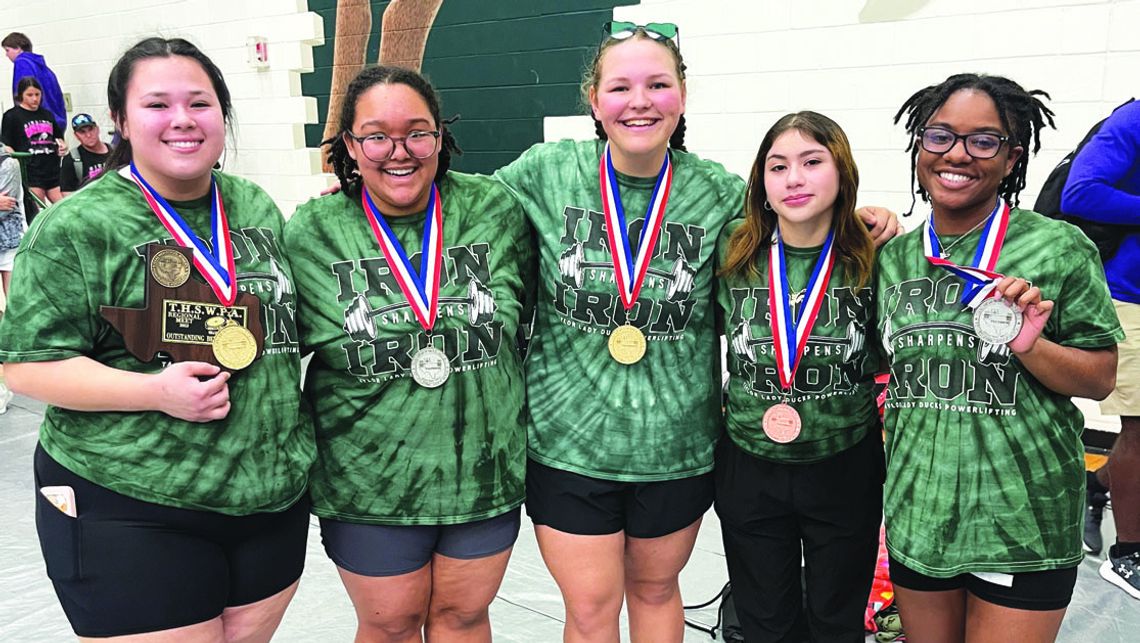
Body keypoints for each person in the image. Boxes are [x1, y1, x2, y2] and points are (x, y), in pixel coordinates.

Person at [493, 22, 899, 642]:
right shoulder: (546, 172)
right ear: (594, 99)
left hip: (677, 446)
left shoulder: (716, 192)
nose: (640, 101)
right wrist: (364, 195)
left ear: (681, 95)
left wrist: (861, 215)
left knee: (657, 592)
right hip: (568, 443)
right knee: (591, 609)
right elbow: (461, 207)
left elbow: (795, 228)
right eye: (621, 86)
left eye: (658, 84)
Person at [0, 37, 314, 640]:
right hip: (132, 503)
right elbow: (29, 366)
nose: (182, 120)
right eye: (156, 104)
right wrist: (156, 393)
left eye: (200, 103)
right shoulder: (78, 225)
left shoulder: (253, 205)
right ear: (120, 119)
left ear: (222, 114)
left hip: (267, 497)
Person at [284, 65, 533, 642]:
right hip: (369, 482)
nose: (399, 151)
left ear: (440, 137)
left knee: (464, 619)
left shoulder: (494, 210)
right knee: (391, 624)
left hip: (483, 473)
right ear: (349, 144)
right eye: (376, 135)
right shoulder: (313, 232)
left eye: (417, 132)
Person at [878, 73, 1123, 641]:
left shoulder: (1056, 247)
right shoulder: (891, 259)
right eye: (940, 136)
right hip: (921, 517)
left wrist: (1031, 345)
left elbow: (1100, 378)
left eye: (983, 141)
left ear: (1012, 158)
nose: (957, 154)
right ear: (920, 146)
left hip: (1022, 521)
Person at [715, 111, 883, 642]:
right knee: (764, 618)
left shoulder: (876, 257)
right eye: (777, 166)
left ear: (842, 173)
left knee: (837, 617)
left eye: (813, 162)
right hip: (749, 460)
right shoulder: (733, 252)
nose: (794, 179)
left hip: (843, 460)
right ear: (761, 182)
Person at [1061, 98, 1140, 599]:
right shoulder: (1134, 119)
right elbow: (1080, 193)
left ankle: (1100, 485)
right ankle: (1128, 553)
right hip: (1133, 295)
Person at [1, 76, 67, 206]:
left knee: (65, 207)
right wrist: (17, 163)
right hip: (31, 173)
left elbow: (59, 138)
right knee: (38, 210)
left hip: (52, 170)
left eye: (37, 94)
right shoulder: (11, 116)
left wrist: (63, 146)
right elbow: (6, 145)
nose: (35, 99)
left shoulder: (47, 114)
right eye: (30, 95)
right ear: (21, 95)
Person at [0, 144, 24, 414]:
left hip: (9, 241)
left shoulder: (8, 163)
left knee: (16, 306)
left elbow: (7, 207)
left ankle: (19, 369)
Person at [3, 32, 67, 133]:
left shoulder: (22, 63)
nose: (6, 55)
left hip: (36, 125)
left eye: (7, 50)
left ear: (18, 48)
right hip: (56, 122)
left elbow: (25, 94)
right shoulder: (44, 68)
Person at [60, 112, 113, 196]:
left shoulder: (115, 152)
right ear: (76, 136)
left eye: (91, 129)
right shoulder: (72, 160)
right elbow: (67, 194)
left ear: (97, 129)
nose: (88, 135)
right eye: (82, 132)